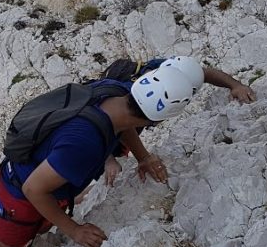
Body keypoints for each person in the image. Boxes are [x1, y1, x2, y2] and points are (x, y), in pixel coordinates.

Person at [0, 64, 196, 247]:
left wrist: (143, 156)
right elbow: (34, 189)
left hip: (44, 180)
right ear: (158, 119)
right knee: (1, 246)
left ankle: (34, 232)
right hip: (21, 193)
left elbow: (126, 122)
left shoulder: (119, 92)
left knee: (39, 226)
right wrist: (74, 230)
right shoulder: (83, 143)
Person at [100, 55, 255, 186]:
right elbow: (117, 122)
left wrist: (235, 85)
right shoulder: (139, 93)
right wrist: (113, 159)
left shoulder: (170, 70)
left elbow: (206, 74)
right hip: (101, 133)